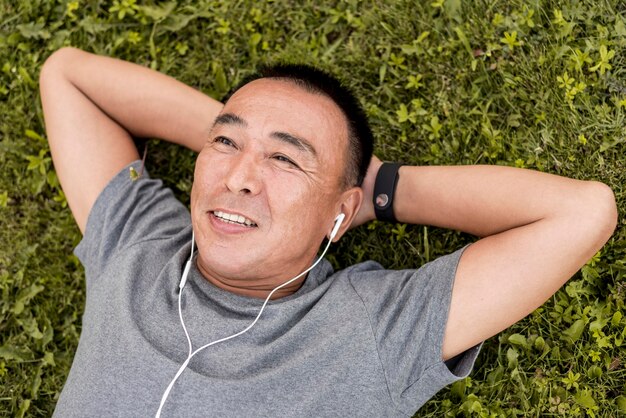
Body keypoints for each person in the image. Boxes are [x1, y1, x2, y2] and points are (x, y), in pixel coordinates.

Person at [39, 47, 617, 417]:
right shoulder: (139, 244)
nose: (239, 178)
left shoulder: (372, 327)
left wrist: (378, 190)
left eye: (286, 161)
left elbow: (582, 213)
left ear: (339, 214)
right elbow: (67, 75)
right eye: (222, 144)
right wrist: (255, 141)